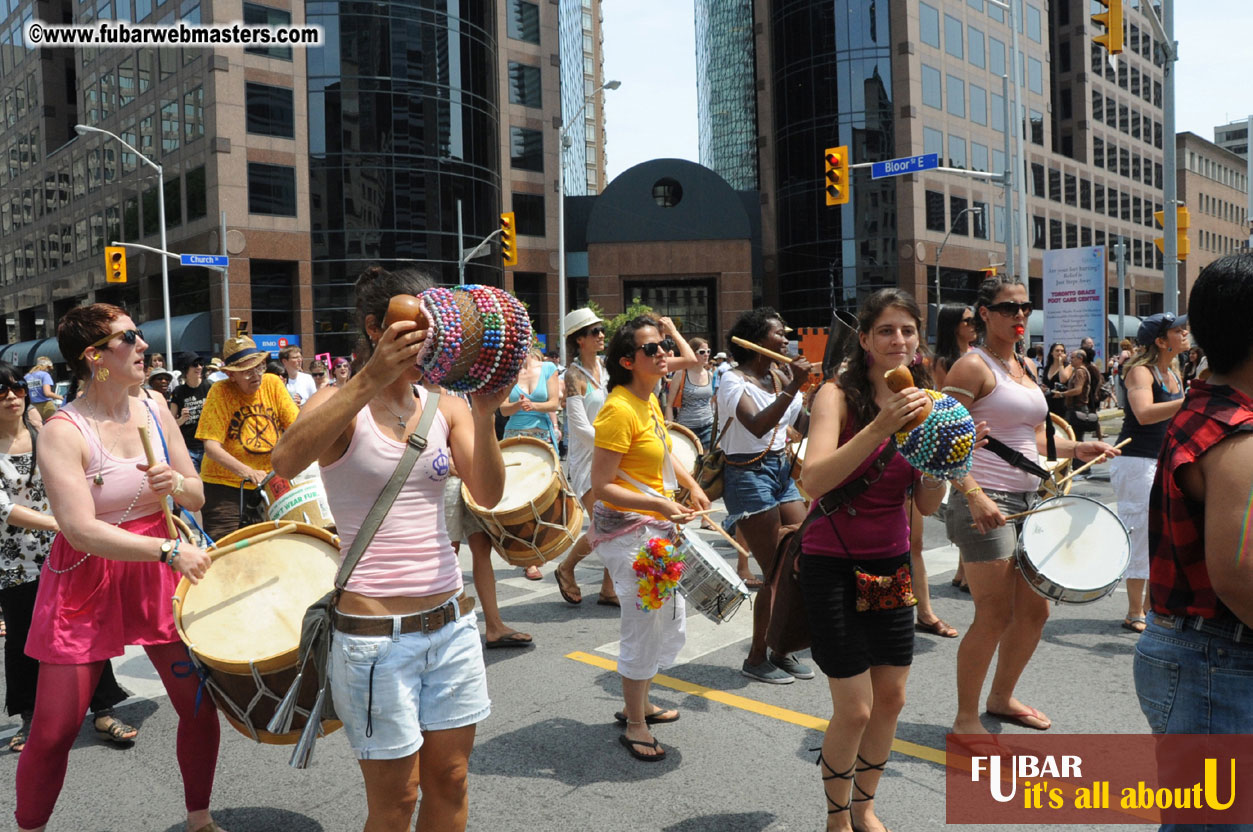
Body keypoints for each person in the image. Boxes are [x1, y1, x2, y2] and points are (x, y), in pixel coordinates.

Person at [271, 264, 507, 832]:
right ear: (376, 328)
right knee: (396, 802)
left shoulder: (446, 405)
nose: (433, 333)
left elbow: (489, 494)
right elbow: (283, 462)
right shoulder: (340, 403)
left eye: (439, 322)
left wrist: (484, 413)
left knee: (451, 780)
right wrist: (369, 379)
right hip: (375, 643)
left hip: (451, 626)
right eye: (416, 322)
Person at [16, 304, 220, 832]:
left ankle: (199, 819)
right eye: (130, 337)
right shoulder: (64, 429)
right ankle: (30, 826)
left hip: (158, 570)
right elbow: (79, 528)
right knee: (56, 729)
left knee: (198, 708)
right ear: (94, 356)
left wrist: (173, 485)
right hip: (90, 570)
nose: (144, 344)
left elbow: (195, 495)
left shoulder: (155, 406)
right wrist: (170, 552)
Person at [942, 276, 1117, 736]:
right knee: (994, 614)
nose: (1020, 314)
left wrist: (1075, 450)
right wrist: (973, 494)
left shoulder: (1023, 366)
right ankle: (965, 720)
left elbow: (1027, 437)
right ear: (985, 313)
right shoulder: (971, 368)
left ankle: (1000, 698)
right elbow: (941, 442)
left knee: (1036, 611)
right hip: (986, 500)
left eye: (1025, 306)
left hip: (1030, 501)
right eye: (1008, 307)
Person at [797, 288, 944, 832]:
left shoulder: (928, 400)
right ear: (864, 340)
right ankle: (837, 818)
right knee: (855, 707)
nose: (898, 340)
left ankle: (865, 807)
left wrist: (943, 461)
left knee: (891, 699)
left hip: (889, 565)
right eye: (886, 330)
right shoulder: (837, 396)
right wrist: (882, 427)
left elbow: (924, 503)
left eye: (907, 330)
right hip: (831, 563)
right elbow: (813, 480)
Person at [1133, 253, 1253, 751]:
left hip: (1203, 653)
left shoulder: (1209, 406)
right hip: (1217, 658)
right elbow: (1238, 574)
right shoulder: (1237, 437)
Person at [0, 361, 139, 756]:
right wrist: (62, 523)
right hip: (17, 558)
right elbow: (4, 509)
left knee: (87, 625)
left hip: (67, 550)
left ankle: (104, 708)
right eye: (1, 391)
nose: (12, 396)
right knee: (25, 635)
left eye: (17, 388)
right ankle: (29, 715)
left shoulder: (45, 433)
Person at [590, 316, 711, 761]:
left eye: (663, 345)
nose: (663, 353)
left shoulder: (648, 398)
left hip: (652, 528)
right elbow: (601, 484)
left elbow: (662, 445)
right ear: (628, 361)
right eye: (652, 349)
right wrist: (660, 505)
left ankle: (636, 704)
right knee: (644, 621)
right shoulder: (618, 409)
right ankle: (636, 723)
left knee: (663, 617)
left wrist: (691, 484)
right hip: (627, 532)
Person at [717, 308, 814, 684]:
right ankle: (757, 657)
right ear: (757, 342)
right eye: (778, 333)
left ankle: (781, 647)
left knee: (803, 558)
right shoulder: (731, 380)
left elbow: (801, 424)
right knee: (774, 573)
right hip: (747, 475)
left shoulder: (778, 374)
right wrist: (795, 387)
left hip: (780, 471)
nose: (786, 338)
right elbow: (757, 426)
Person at [1111, 313, 1188, 634]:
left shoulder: (1173, 372)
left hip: (1163, 460)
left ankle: (1150, 606)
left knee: (1165, 536)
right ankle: (1133, 610)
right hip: (1136, 461)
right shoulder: (1140, 371)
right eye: (1178, 331)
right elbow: (1143, 414)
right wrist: (1189, 401)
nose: (1185, 334)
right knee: (1140, 532)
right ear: (1160, 340)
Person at [195, 335, 299, 542]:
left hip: (269, 484)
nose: (256, 375)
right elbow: (211, 447)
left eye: (259, 367)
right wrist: (247, 472)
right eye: (247, 370)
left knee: (273, 548)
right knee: (227, 553)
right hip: (224, 487)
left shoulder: (273, 383)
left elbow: (297, 428)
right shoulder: (220, 391)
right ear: (231, 375)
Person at [553, 308, 617, 607]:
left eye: (601, 329)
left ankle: (608, 589)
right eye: (594, 331)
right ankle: (566, 568)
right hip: (587, 461)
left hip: (610, 455)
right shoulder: (572, 375)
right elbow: (579, 429)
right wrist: (617, 446)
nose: (601, 335)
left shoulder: (606, 368)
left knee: (617, 522)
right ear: (579, 340)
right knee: (607, 524)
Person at [499, 347, 563, 580]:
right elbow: (504, 409)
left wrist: (532, 406)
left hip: (541, 438)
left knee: (543, 497)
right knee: (518, 497)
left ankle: (539, 549)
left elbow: (554, 403)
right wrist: (518, 405)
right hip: (514, 437)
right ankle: (529, 558)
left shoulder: (548, 368)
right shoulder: (508, 371)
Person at [665, 336, 717, 449]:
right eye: (702, 352)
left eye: (708, 351)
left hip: (708, 425)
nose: (706, 354)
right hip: (687, 427)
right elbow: (669, 405)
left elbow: (710, 401)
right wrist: (670, 428)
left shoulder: (710, 374)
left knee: (709, 463)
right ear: (692, 353)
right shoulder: (681, 374)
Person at [170, 353, 212, 472]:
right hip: (188, 447)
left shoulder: (210, 387)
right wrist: (182, 419)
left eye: (201, 364)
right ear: (186, 369)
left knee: (207, 485)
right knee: (195, 482)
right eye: (194, 364)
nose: (199, 367)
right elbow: (171, 425)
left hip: (207, 446)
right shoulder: (178, 392)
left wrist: (210, 411)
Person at [932, 304, 977, 391]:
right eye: (968, 321)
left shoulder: (979, 354)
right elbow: (945, 397)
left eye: (975, 320)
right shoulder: (943, 363)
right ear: (953, 325)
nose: (974, 325)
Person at [1054, 349, 1093, 442]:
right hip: (1075, 408)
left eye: (1073, 358)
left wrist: (1062, 394)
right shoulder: (1077, 371)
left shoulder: (1080, 371)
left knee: (1075, 438)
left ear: (1080, 359)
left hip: (1078, 408)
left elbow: (1078, 390)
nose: (1070, 360)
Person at [1041, 343, 1073, 420]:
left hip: (1061, 402)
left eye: (1062, 351)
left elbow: (1063, 379)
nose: (1059, 353)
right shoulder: (1047, 367)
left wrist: (1061, 363)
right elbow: (1044, 382)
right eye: (1057, 350)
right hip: (1048, 401)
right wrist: (1042, 388)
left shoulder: (1068, 366)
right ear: (1052, 353)